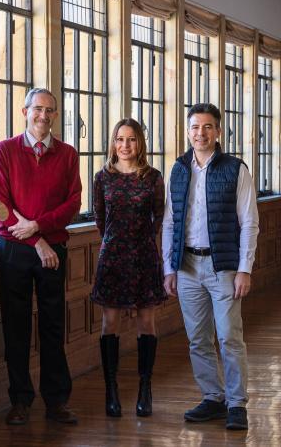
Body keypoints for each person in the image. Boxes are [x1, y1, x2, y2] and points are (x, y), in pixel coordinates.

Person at [162, 103, 259, 430]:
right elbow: (169, 223)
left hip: (224, 268)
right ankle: (212, 398)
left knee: (230, 336)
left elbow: (249, 223)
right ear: (188, 131)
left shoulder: (235, 169)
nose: (200, 133)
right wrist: (169, 268)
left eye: (207, 127)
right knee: (198, 338)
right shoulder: (178, 169)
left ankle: (236, 404)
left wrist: (245, 268)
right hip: (187, 266)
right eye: (194, 127)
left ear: (218, 131)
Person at [0, 88, 82, 425]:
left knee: (53, 326)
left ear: (56, 115)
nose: (44, 115)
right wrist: (36, 241)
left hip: (53, 250)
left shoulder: (68, 154)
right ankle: (20, 401)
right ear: (24, 111)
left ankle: (56, 402)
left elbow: (73, 203)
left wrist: (39, 228)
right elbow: (1, 205)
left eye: (50, 110)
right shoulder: (5, 150)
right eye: (38, 108)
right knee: (16, 326)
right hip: (15, 250)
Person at [91, 118, 167, 418]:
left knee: (146, 324)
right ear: (113, 143)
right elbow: (100, 219)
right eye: (120, 139)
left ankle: (144, 390)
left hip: (144, 257)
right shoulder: (103, 178)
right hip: (112, 258)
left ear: (141, 143)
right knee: (110, 325)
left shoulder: (153, 177)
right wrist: (116, 241)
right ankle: (111, 391)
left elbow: (159, 219)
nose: (125, 145)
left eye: (132, 139)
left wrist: (139, 243)